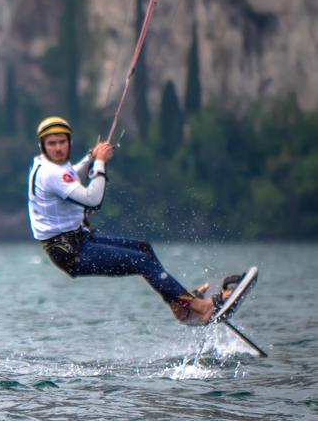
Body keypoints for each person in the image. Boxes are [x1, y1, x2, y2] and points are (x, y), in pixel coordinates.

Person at [27, 116, 233, 325]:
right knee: (141, 261)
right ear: (42, 145)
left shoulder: (46, 165)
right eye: (52, 143)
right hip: (71, 254)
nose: (58, 148)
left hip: (80, 241)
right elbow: (93, 200)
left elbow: (71, 176)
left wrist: (90, 156)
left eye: (62, 142)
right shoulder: (51, 173)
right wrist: (100, 163)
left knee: (144, 249)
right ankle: (200, 307)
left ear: (69, 142)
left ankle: (179, 305)